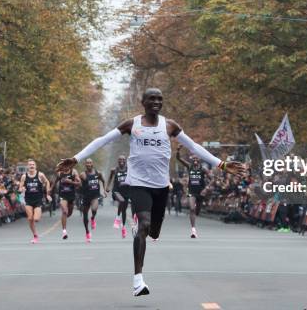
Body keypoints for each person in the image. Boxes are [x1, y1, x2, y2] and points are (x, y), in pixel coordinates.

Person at [56, 88, 246, 297]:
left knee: (154, 231)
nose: (156, 102)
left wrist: (221, 164)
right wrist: (76, 158)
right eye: (152, 99)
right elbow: (102, 140)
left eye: (159, 99)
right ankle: (138, 280)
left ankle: (143, 228)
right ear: (143, 102)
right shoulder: (132, 124)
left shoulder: (170, 125)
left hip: (161, 186)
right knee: (144, 224)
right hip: (138, 184)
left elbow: (194, 146)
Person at [176, 145, 209, 238]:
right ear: (192, 159)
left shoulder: (203, 169)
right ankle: (193, 230)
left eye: (196, 158)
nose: (195, 160)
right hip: (192, 191)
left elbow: (213, 179)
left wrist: (206, 188)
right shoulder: (189, 166)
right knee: (191, 208)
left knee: (197, 211)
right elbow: (178, 158)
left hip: (200, 192)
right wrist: (178, 150)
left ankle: (195, 216)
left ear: (199, 160)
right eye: (193, 158)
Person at [19, 159, 51, 244]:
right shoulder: (24, 176)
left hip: (38, 199)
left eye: (33, 164)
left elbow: (47, 182)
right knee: (30, 218)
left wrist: (47, 193)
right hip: (28, 199)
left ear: (35, 166)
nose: (31, 166)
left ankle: (35, 231)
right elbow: (20, 188)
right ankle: (35, 235)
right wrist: (22, 189)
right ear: (27, 167)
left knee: (36, 219)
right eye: (30, 165)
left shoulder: (40, 175)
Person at [79, 158, 106, 242]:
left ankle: (93, 218)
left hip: (95, 196)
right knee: (85, 216)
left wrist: (104, 190)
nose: (89, 164)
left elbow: (103, 181)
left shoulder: (98, 173)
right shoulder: (83, 174)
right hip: (86, 197)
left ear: (92, 164)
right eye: (87, 163)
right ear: (85, 165)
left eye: (90, 163)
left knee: (94, 209)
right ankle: (87, 232)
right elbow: (79, 184)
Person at [54, 166, 81, 240]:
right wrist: (50, 189)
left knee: (69, 213)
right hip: (62, 195)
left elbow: (79, 183)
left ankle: (64, 218)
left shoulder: (74, 172)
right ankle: (64, 231)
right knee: (65, 212)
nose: (65, 166)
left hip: (71, 196)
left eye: (67, 164)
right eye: (64, 164)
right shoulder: (60, 173)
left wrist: (70, 182)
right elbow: (55, 181)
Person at [107, 155, 130, 238]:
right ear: (118, 161)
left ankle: (123, 227)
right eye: (120, 159)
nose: (122, 161)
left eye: (123, 159)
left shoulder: (129, 169)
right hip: (116, 191)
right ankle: (117, 217)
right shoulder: (114, 170)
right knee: (121, 201)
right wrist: (108, 187)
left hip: (126, 192)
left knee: (124, 210)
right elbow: (110, 178)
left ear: (125, 160)